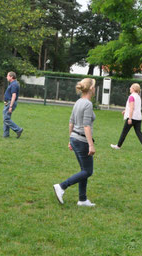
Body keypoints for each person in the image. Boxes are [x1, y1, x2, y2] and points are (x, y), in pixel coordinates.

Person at [53, 78, 96, 207]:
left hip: (75, 138)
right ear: (90, 89)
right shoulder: (88, 104)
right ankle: (61, 186)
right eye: (94, 86)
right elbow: (86, 126)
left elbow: (71, 121)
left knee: (84, 170)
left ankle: (82, 199)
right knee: (88, 171)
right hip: (82, 140)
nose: (95, 89)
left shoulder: (78, 102)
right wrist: (91, 145)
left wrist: (70, 139)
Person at [111, 83, 142, 152]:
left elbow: (132, 108)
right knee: (139, 132)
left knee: (124, 132)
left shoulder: (131, 97)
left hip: (132, 118)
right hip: (138, 118)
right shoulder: (138, 97)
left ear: (134, 89)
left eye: (131, 87)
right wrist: (125, 111)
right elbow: (134, 107)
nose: (129, 88)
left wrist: (130, 118)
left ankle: (118, 146)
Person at [2, 72, 23, 138]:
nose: (6, 77)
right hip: (8, 103)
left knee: (6, 119)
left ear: (11, 77)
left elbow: (14, 95)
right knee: (7, 118)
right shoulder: (13, 83)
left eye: (7, 76)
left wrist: (10, 106)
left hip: (10, 103)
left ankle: (18, 129)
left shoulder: (14, 84)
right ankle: (6, 134)